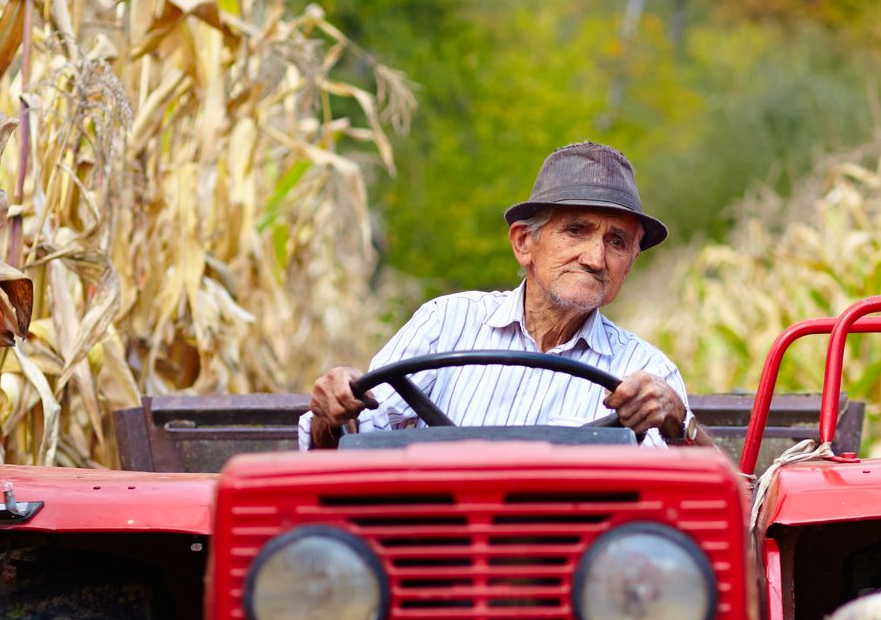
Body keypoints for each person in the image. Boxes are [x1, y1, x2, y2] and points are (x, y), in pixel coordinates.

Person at [300, 141, 715, 451]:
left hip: (570, 561)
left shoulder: (644, 371)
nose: (595, 258)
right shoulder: (445, 323)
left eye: (617, 242)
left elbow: (708, 500)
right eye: (576, 231)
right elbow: (346, 450)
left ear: (630, 261)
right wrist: (331, 413)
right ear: (523, 243)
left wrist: (680, 425)